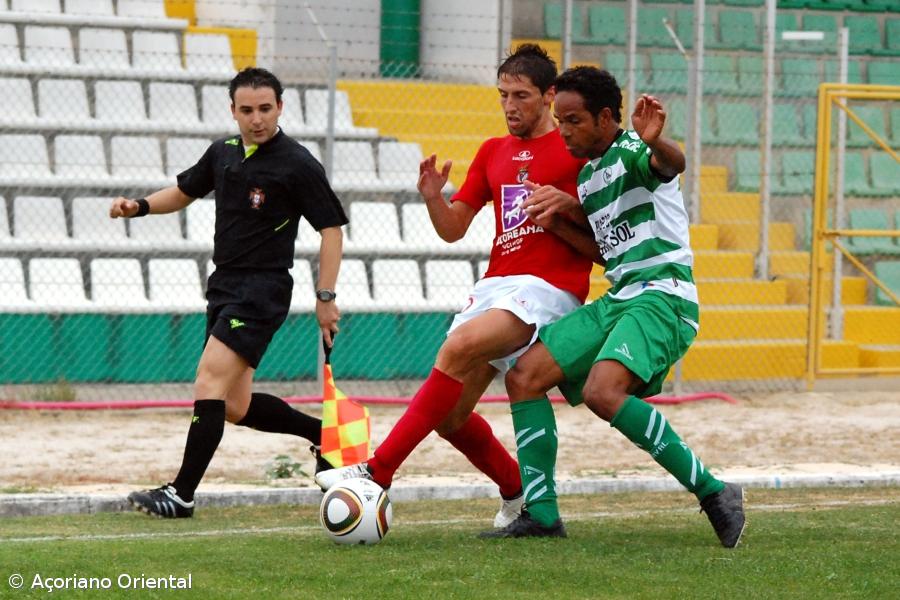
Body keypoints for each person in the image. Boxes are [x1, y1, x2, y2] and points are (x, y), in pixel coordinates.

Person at [315, 44, 595, 528]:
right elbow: (453, 228)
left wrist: (566, 209)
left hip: (550, 290)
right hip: (497, 288)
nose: (510, 105)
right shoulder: (492, 151)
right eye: (503, 94)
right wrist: (432, 198)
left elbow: (601, 238)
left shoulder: (575, 152)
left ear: (549, 95)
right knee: (451, 417)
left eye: (522, 95)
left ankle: (376, 473)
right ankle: (519, 494)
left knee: (459, 345)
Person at [480, 66, 746, 547]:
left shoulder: (634, 151)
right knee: (524, 377)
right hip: (621, 296)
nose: (564, 130)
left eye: (574, 120)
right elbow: (604, 251)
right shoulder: (587, 176)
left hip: (662, 295)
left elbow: (672, 163)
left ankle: (714, 491)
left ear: (606, 118)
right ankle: (541, 514)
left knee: (604, 392)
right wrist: (558, 218)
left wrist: (655, 141)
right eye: (560, 121)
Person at [113, 67, 348, 518]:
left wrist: (326, 296)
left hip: (262, 290)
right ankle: (325, 436)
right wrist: (138, 207)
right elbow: (184, 192)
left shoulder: (298, 163)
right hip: (224, 285)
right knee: (235, 405)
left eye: (265, 108)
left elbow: (331, 229)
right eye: (247, 110)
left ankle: (181, 494)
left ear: (281, 107)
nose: (256, 118)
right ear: (233, 111)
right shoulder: (222, 152)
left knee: (208, 381)